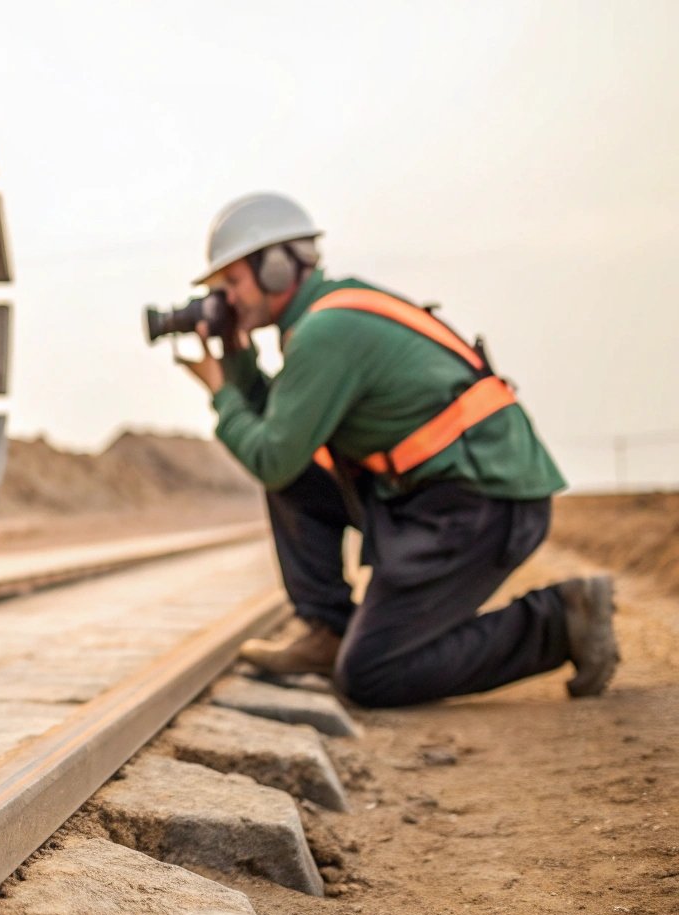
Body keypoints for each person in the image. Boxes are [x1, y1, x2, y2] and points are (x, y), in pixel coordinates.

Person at [174, 192, 618, 707]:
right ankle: (328, 632)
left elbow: (271, 456)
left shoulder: (325, 332)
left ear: (276, 267)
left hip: (483, 506)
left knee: (371, 675)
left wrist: (222, 393)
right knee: (296, 475)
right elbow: (284, 437)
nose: (226, 300)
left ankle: (560, 619)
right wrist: (236, 357)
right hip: (431, 498)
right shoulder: (322, 319)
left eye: (231, 282)